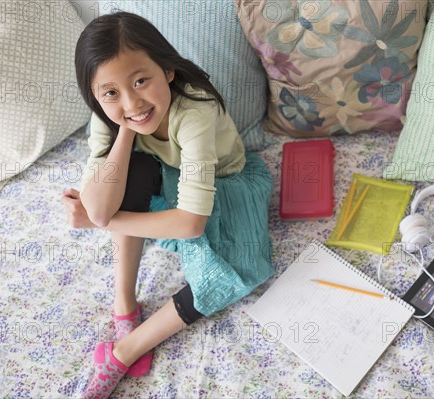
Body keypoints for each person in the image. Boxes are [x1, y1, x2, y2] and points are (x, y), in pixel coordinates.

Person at [61, 11, 274, 399]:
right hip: (166, 177)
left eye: (141, 80)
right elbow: (97, 205)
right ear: (96, 95)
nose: (131, 99)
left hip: (226, 182)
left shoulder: (194, 112)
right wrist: (125, 127)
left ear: (168, 71)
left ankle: (124, 351)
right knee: (125, 176)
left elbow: (190, 223)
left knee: (237, 270)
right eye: (110, 92)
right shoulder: (111, 113)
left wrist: (100, 223)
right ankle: (124, 304)